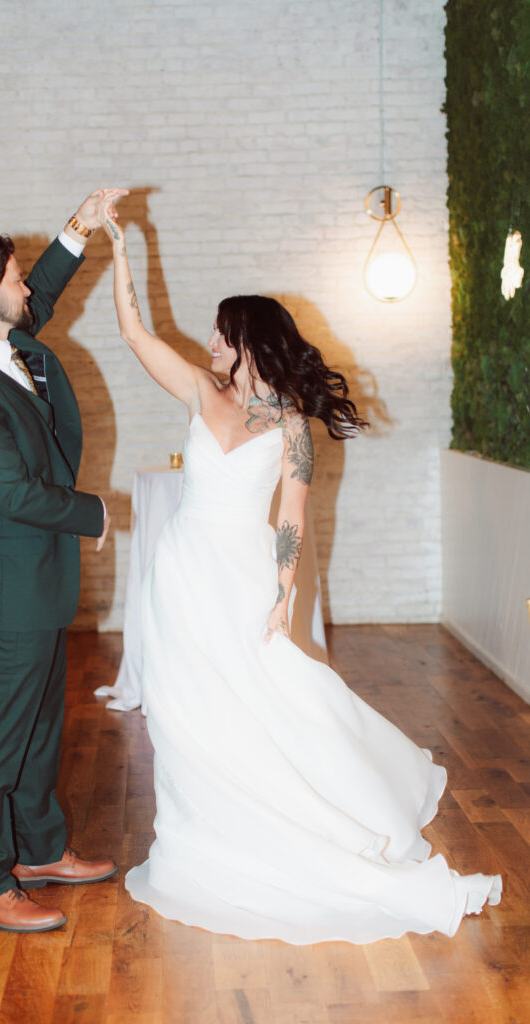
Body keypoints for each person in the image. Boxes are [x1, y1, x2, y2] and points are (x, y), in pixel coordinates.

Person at [100, 200, 502, 945]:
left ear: (247, 337)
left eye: (223, 330)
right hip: (181, 572)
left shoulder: (290, 427)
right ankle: (200, 833)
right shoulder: (198, 388)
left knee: (271, 701)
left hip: (241, 575)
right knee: (184, 712)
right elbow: (133, 332)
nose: (213, 340)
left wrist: (283, 593)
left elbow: (291, 516)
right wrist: (120, 245)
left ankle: (306, 818)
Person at [0, 187, 127, 933]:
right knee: (0, 734)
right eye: (13, 280)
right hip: (11, 580)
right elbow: (11, 491)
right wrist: (93, 512)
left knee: (43, 724)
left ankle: (39, 851)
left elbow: (39, 293)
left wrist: (79, 226)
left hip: (35, 576)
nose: (24, 291)